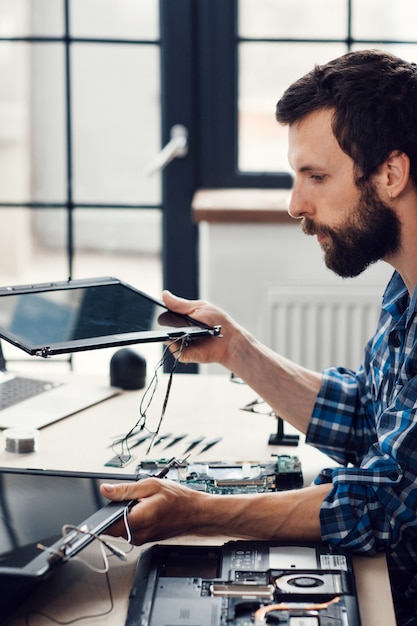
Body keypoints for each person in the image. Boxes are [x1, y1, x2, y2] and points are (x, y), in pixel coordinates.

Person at [101, 49, 417, 625]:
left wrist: (198, 511)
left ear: (391, 174)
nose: (296, 204)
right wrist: (234, 349)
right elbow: (368, 418)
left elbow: (381, 504)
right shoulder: (405, 283)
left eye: (316, 177)